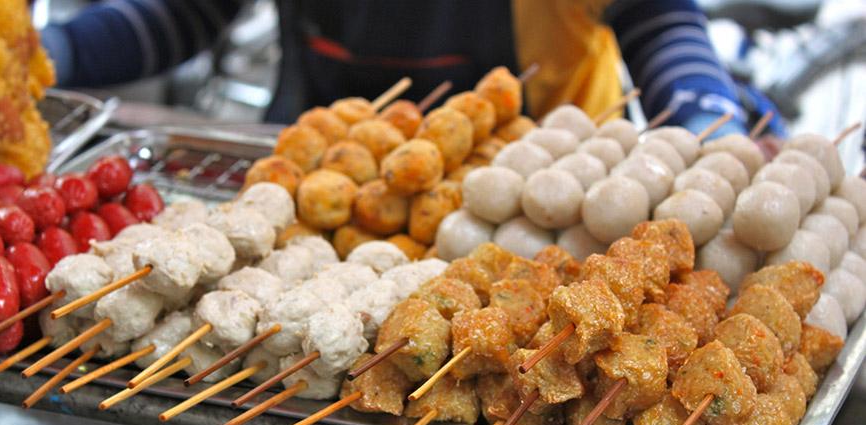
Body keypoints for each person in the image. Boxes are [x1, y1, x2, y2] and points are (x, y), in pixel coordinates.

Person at [41, 0, 785, 137]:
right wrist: (48, 57)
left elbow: (656, 16)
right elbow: (188, 12)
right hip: (319, 189)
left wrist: (702, 116)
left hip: (553, 213)